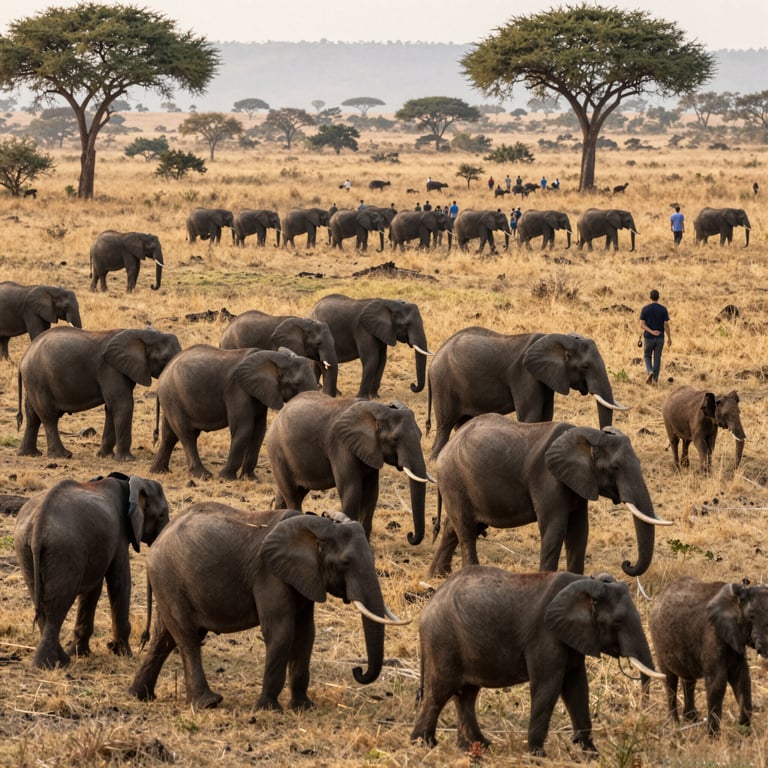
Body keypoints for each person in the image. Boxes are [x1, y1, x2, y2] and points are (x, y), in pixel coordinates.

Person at [639, 289, 671, 386]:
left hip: (649, 337)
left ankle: (650, 371)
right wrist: (669, 337)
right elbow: (666, 325)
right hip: (660, 337)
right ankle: (655, 380)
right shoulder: (663, 309)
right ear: (658, 297)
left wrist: (651, 331)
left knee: (647, 355)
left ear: (650, 297)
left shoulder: (645, 309)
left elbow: (642, 325)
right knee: (657, 358)